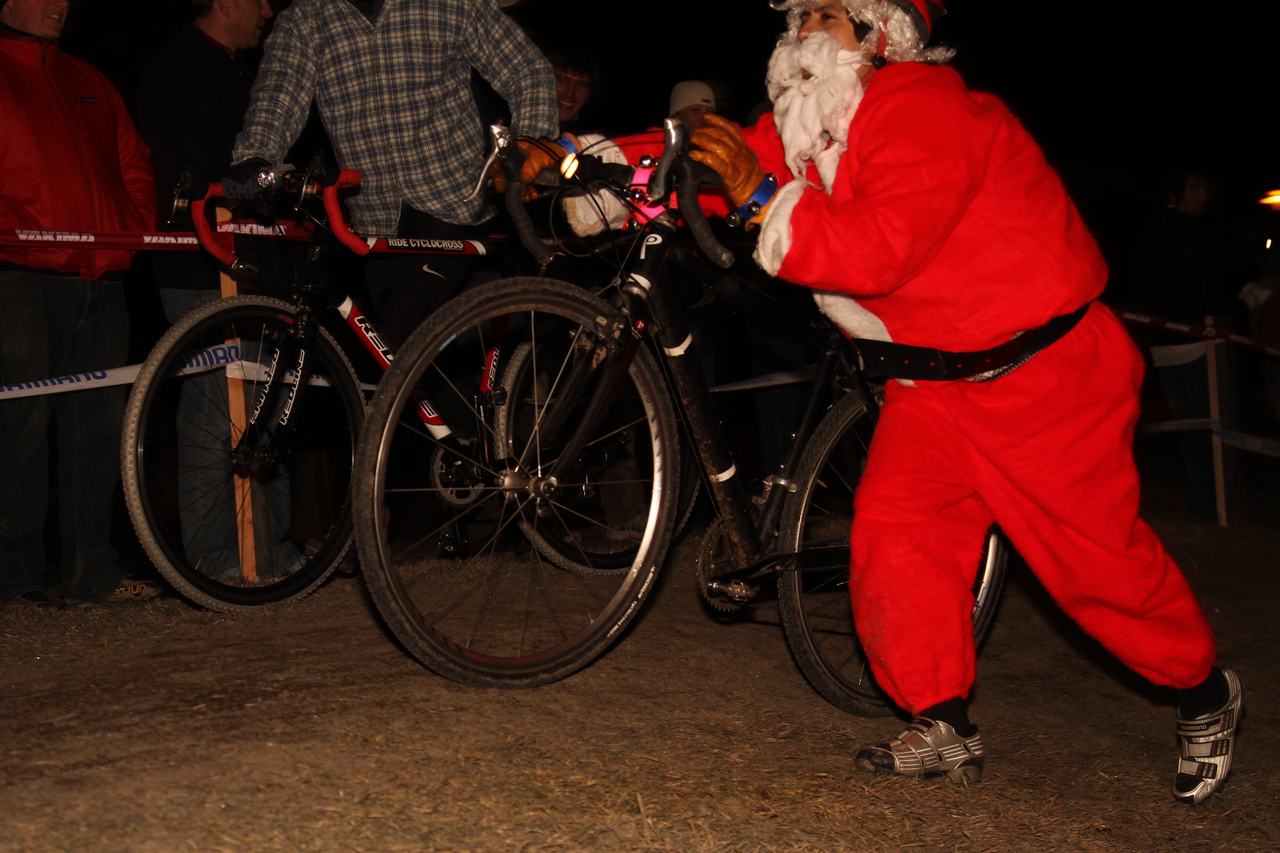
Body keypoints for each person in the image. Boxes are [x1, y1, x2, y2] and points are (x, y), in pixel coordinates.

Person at [682, 0, 1241, 804]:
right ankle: (942, 721)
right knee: (897, 549)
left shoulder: (927, 107)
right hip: (930, 385)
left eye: (827, 14)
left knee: (1095, 567)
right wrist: (578, 161)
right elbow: (722, 159)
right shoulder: (811, 121)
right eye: (798, 12)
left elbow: (876, 249)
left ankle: (1204, 690)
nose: (803, 29)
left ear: (880, 35)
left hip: (1044, 378)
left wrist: (759, 197)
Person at [226, 0, 559, 349]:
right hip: (373, 216)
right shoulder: (306, 18)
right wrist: (255, 158)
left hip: (455, 200)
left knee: (397, 342)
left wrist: (528, 147)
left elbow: (526, 68)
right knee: (416, 365)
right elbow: (278, 97)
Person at [0, 0, 160, 605]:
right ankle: (13, 579)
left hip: (102, 277)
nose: (58, 4)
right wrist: (15, 233)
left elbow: (133, 159)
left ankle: (90, 573)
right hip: (19, 276)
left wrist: (133, 228)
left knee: (98, 431)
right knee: (22, 428)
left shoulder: (87, 77)